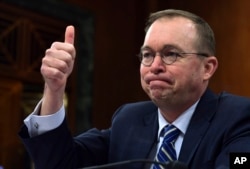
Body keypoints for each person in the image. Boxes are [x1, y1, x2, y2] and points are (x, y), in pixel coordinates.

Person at [19, 9, 250, 169]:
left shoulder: (238, 118)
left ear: (207, 68)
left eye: (171, 54)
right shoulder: (129, 119)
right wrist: (54, 88)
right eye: (147, 55)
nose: (155, 66)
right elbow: (58, 164)